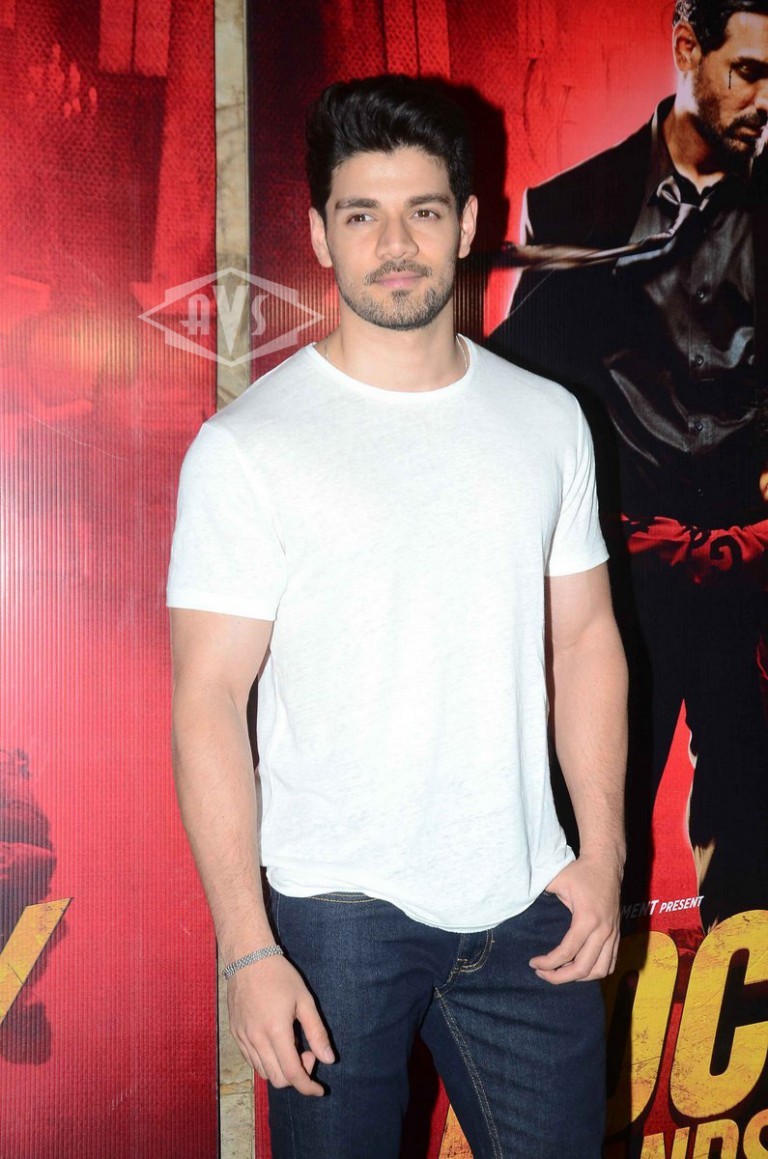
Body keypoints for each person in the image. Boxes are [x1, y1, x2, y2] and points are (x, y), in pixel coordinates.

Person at [168, 75, 627, 1159]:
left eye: (422, 211)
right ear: (319, 234)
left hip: (529, 902)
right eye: (362, 215)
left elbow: (587, 640)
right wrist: (248, 947)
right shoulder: (249, 446)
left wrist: (603, 853)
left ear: (466, 224)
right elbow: (207, 698)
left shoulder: (547, 420)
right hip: (335, 919)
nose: (395, 245)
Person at [490, 0, 768, 932]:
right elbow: (525, 391)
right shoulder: (579, 204)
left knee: (754, 844)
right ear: (687, 49)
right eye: (751, 71)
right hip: (622, 583)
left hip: (755, 577)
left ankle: (744, 1006)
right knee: (588, 835)